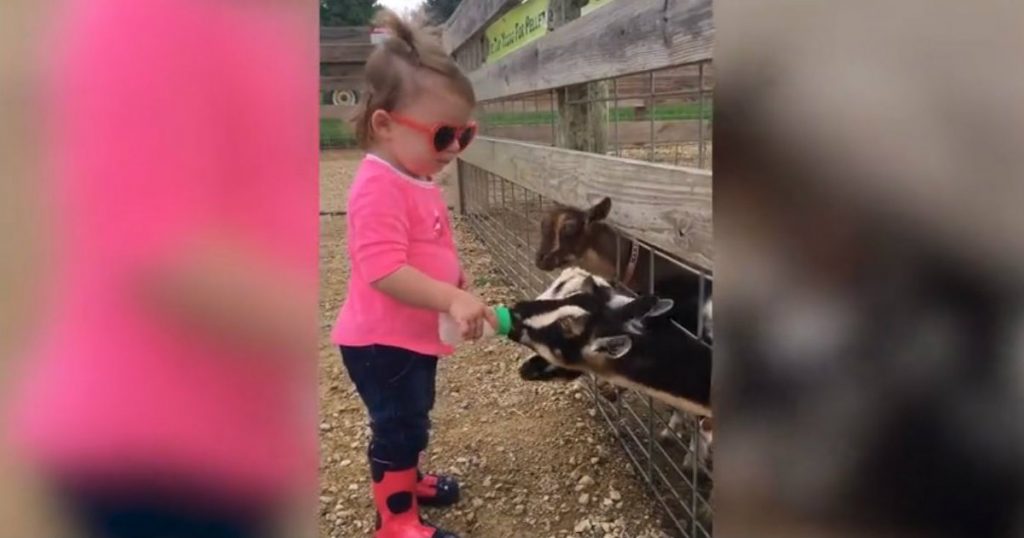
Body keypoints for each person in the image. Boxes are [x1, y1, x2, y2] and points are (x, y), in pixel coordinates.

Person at [6, 0, 318, 536]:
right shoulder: (146, 17)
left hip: (229, 439)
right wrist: (324, 321)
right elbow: (151, 240)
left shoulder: (234, 25)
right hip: (157, 447)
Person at [330, 9, 496, 538]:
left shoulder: (414, 174)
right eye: (444, 134)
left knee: (413, 416)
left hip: (409, 339)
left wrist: (457, 280)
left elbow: (429, 245)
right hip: (382, 345)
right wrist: (447, 297)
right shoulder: (377, 185)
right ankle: (396, 518)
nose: (454, 150)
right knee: (398, 424)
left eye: (465, 136)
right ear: (385, 124)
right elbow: (382, 269)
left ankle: (408, 478)